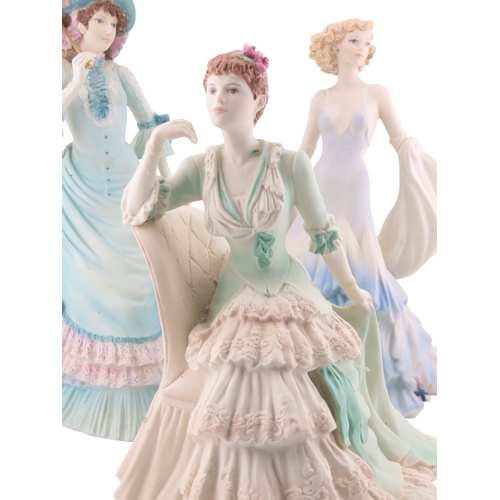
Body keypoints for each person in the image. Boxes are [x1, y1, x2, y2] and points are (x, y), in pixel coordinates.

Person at [115, 46, 436, 500]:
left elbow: (324, 235)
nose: (219, 99)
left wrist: (350, 288)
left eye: (233, 90)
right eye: (212, 90)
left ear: (259, 101)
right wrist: (152, 147)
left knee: (295, 370)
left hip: (291, 290)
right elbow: (136, 210)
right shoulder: (201, 168)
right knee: (250, 369)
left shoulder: (289, 164)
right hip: (236, 298)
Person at [286, 19, 437, 417]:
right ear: (334, 47)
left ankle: (379, 374)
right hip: (319, 184)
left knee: (360, 264)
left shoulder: (377, 93)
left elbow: (399, 139)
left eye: (367, 42)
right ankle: (310, 372)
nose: (362, 48)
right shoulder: (320, 97)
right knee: (307, 260)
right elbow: (305, 149)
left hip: (355, 187)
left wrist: (421, 164)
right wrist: (284, 179)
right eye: (354, 40)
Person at [61, 0, 191, 440]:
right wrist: (75, 79)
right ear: (76, 23)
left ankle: (150, 383)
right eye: (97, 19)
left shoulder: (123, 75)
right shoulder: (61, 71)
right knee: (89, 278)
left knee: (141, 276)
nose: (106, 28)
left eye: (114, 22)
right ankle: (96, 382)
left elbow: (151, 127)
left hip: (126, 183)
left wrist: (166, 187)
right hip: (80, 189)